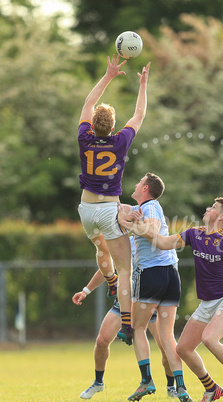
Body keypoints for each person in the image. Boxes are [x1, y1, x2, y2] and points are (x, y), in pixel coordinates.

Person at [122, 197, 223, 402]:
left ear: (222, 216)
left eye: (213, 207)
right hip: (207, 303)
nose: (207, 208)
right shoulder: (194, 234)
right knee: (183, 348)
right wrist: (138, 225)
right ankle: (211, 388)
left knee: (210, 339)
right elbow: (162, 242)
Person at [77, 54, 151, 345]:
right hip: (109, 209)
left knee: (101, 249)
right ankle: (127, 325)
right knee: (125, 269)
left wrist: (108, 76)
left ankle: (107, 281)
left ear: (92, 125)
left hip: (86, 210)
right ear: (113, 126)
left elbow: (87, 103)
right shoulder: (120, 140)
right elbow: (140, 114)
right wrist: (142, 85)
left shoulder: (85, 138)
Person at [118, 173, 193, 402]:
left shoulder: (150, 206)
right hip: (172, 275)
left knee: (137, 327)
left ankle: (147, 380)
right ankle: (180, 387)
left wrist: (127, 223)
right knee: (166, 335)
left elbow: (151, 232)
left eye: (139, 182)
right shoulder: (147, 207)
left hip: (152, 274)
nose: (135, 183)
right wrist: (128, 217)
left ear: (146, 188)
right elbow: (116, 205)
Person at [74, 266, 179, 400]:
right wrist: (85, 291)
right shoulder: (124, 245)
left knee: (165, 347)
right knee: (102, 340)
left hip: (149, 299)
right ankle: (98, 382)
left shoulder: (150, 247)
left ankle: (171, 386)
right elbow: (107, 267)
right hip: (125, 302)